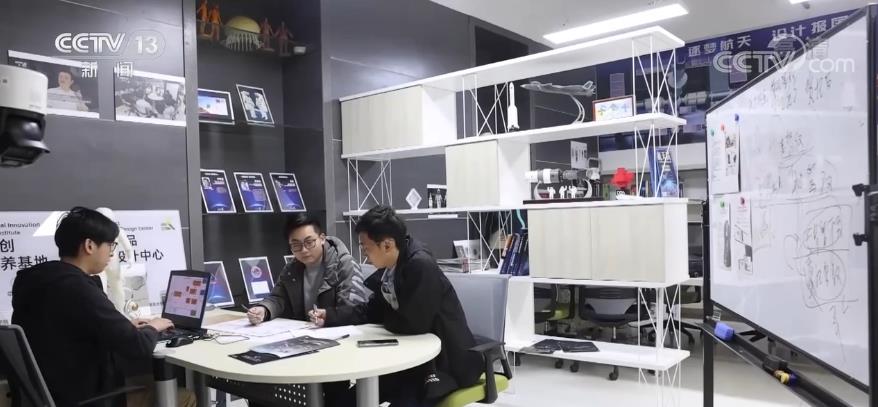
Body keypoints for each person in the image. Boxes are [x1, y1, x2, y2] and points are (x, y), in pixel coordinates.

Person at [11, 207, 193, 407]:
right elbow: (138, 346)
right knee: (184, 397)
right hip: (84, 397)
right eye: (110, 245)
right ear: (89, 245)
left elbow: (69, 330)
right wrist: (154, 326)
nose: (112, 253)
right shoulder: (79, 288)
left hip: (51, 393)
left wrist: (125, 327)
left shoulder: (33, 280)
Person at [313, 205, 482, 406]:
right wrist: (330, 316)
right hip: (411, 361)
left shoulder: (420, 265)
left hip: (442, 364)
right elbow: (372, 310)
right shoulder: (391, 267)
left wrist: (384, 318)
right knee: (345, 401)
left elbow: (413, 325)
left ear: (387, 245)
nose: (365, 254)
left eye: (366, 248)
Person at [246, 212, 366, 326]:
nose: (304, 250)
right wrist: (264, 310)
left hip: (336, 333)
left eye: (309, 242)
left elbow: (352, 311)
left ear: (322, 238)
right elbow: (278, 298)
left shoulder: (344, 264)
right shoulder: (291, 269)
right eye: (296, 245)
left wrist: (328, 318)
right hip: (304, 333)